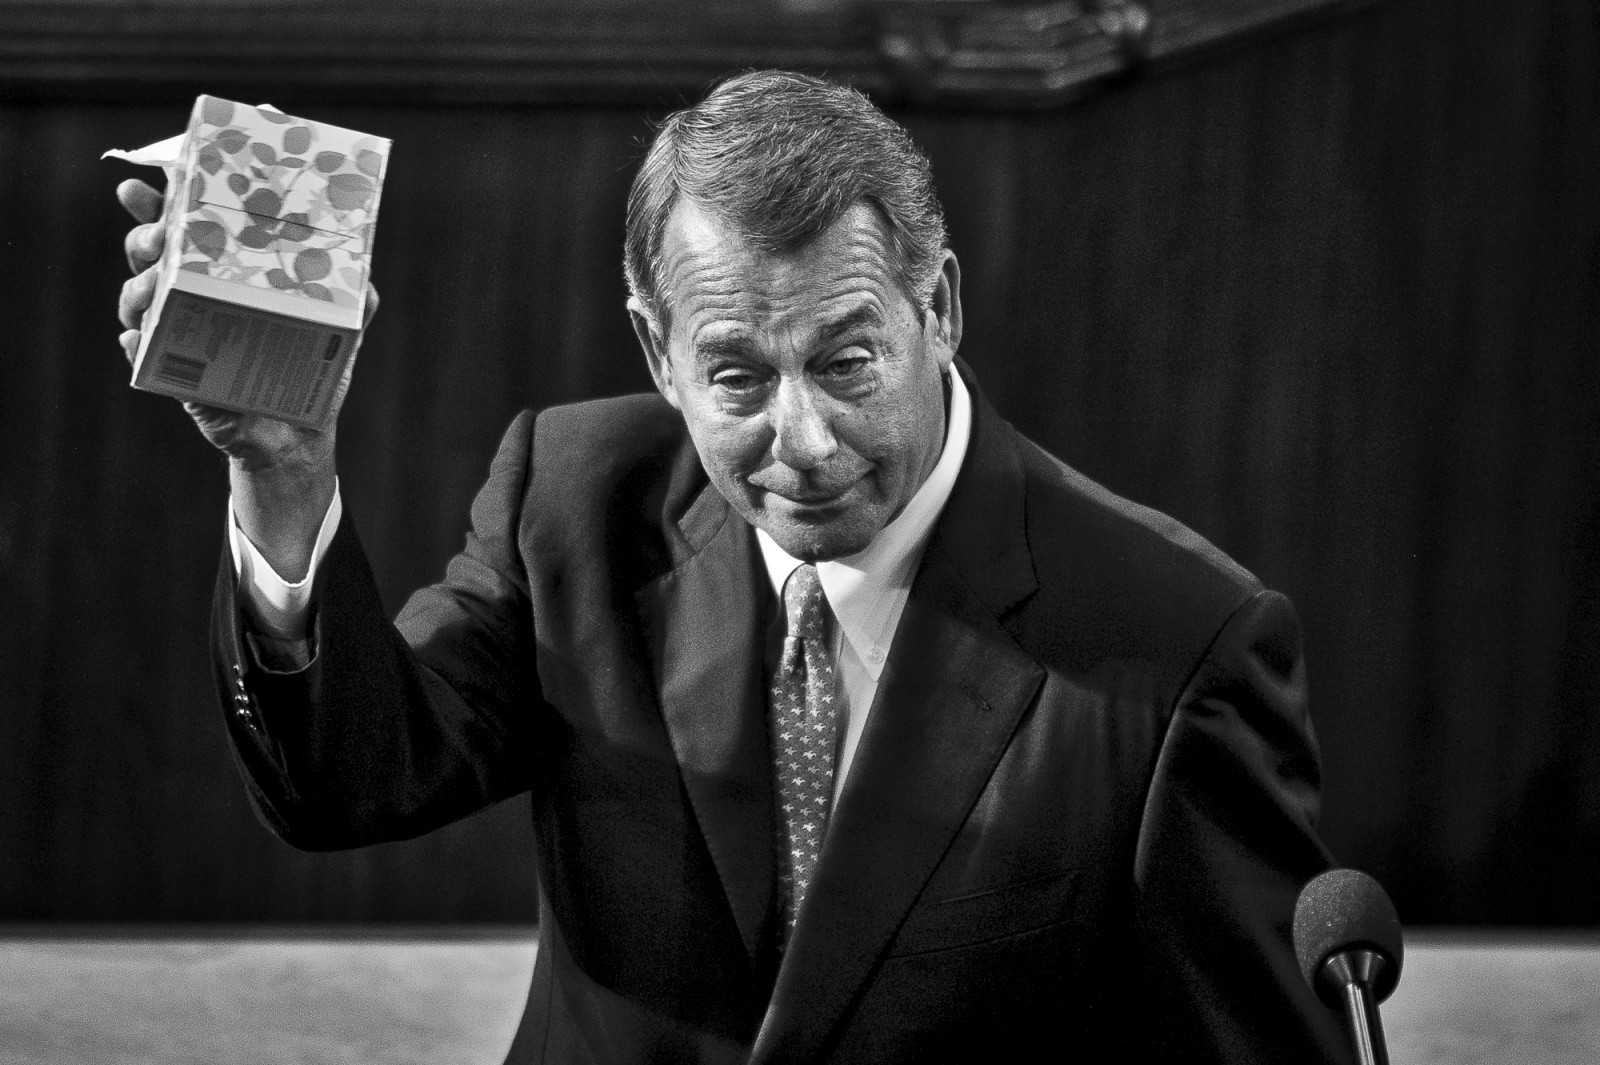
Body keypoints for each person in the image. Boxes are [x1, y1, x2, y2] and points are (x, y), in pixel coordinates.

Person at [117, 71, 1351, 1064]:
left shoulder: (1184, 643)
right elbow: (348, 786)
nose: (801, 444)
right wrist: (281, 465)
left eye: (848, 362)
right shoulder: (573, 496)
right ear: (658, 352)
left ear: (942, 310)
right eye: (740, 377)